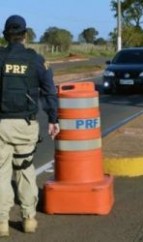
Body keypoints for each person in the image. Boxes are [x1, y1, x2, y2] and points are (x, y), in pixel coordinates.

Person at [0, 15, 60, 237]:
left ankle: (2, 223)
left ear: (6, 36)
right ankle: (28, 219)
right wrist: (53, 119)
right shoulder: (36, 60)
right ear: (25, 35)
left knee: (1, 174)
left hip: (1, 124)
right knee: (24, 171)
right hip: (25, 125)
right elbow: (49, 92)